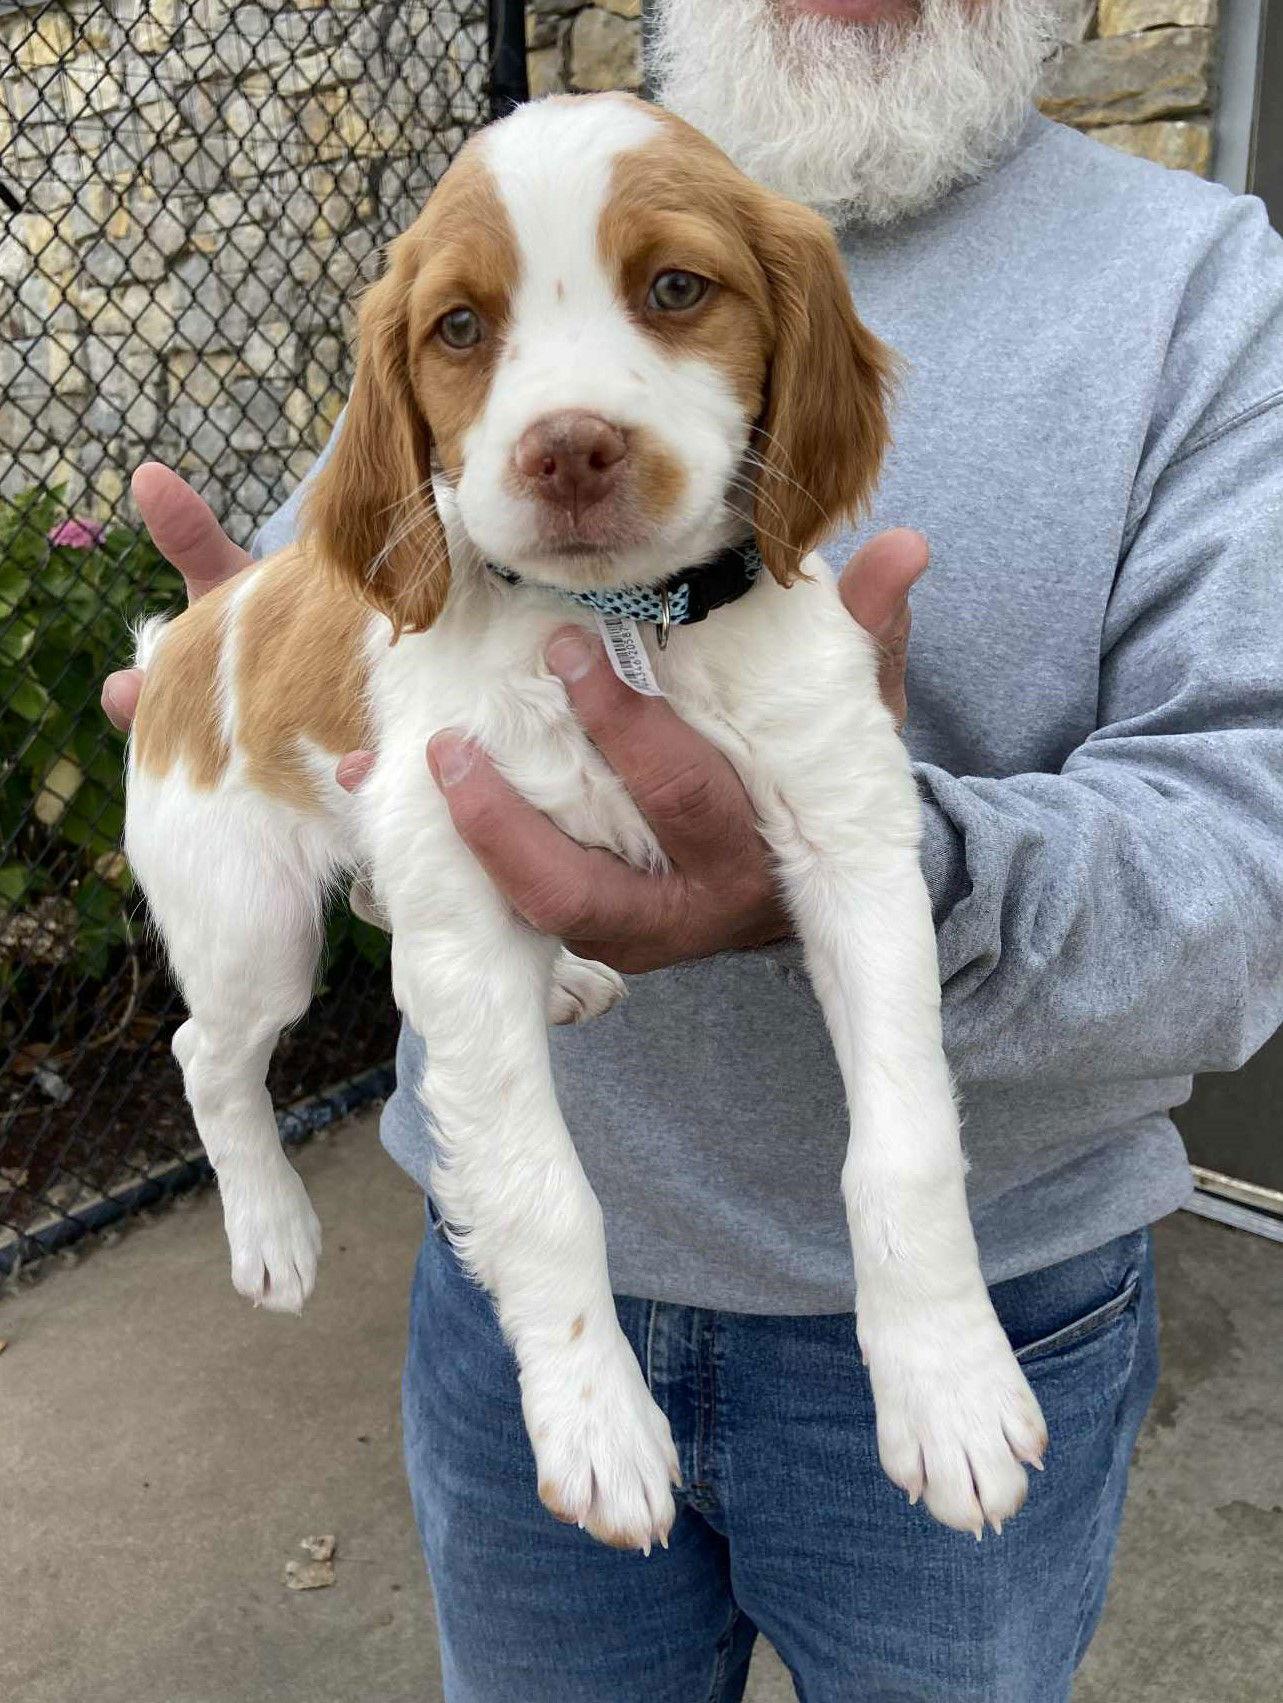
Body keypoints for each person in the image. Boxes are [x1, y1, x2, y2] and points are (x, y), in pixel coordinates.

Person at [103, 0, 1283, 1696]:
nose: (570, 429)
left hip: (1007, 1308)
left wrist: (852, 859)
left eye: (676, 295)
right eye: (472, 335)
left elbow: (1253, 869)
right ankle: (247, 1120)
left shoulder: (1206, 294)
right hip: (502, 1302)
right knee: (265, 966)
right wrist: (266, 620)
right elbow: (370, 553)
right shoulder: (506, 221)